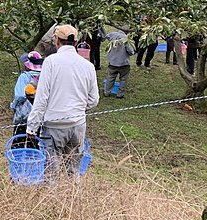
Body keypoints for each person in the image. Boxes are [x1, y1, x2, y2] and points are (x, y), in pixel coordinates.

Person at [26, 25, 99, 176]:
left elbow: (41, 98)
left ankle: (53, 199)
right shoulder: (88, 66)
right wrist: (77, 110)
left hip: (54, 126)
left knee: (51, 173)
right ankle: (72, 198)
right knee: (73, 172)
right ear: (76, 42)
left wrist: (32, 127)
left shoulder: (51, 62)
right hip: (78, 125)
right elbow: (94, 100)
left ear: (57, 40)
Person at [103, 30, 134, 98]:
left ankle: (106, 92)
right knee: (123, 79)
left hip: (112, 63)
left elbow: (105, 36)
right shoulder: (126, 39)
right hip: (124, 64)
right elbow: (131, 51)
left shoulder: (112, 35)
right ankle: (120, 94)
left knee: (110, 78)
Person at [11, 83, 37, 148]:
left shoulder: (20, 101)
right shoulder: (35, 102)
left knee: (19, 143)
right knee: (31, 144)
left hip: (20, 125)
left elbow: (13, 107)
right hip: (28, 126)